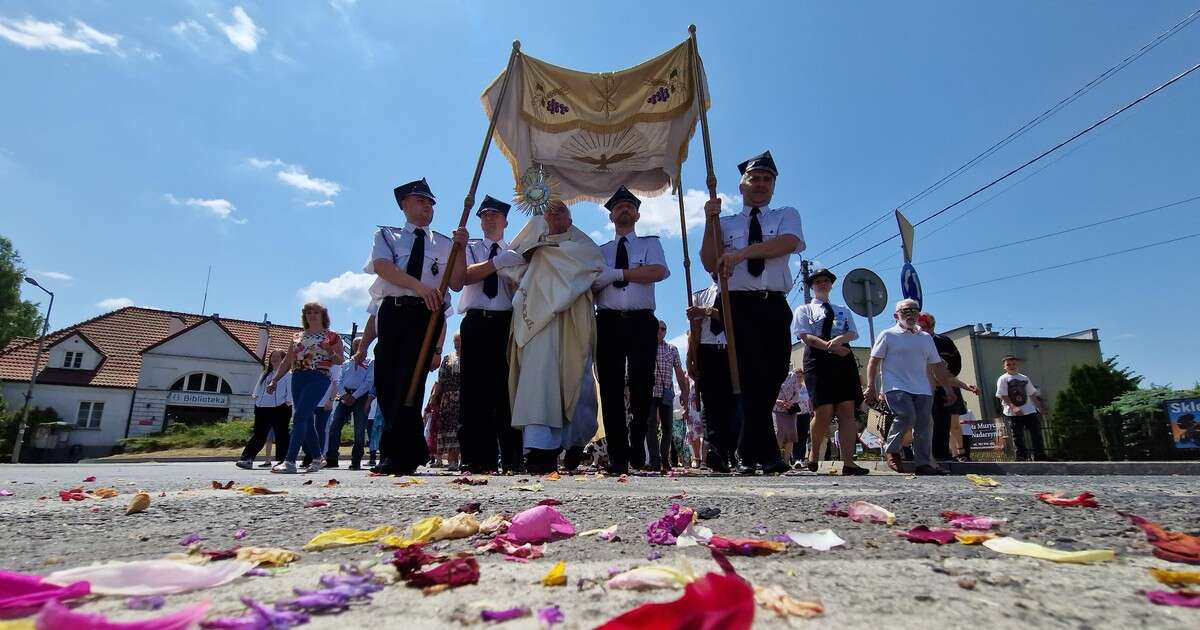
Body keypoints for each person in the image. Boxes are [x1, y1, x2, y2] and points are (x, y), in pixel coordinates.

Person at [701, 150, 804, 476]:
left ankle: (752, 449)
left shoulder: (785, 215)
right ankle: (759, 453)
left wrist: (743, 253)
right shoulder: (727, 222)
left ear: (773, 186)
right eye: (754, 179)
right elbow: (709, 261)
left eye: (766, 179)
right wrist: (709, 221)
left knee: (773, 374)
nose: (760, 184)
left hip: (773, 303)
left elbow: (788, 243)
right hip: (738, 305)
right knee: (746, 377)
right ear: (741, 185)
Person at [360, 177, 467, 475]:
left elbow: (456, 283)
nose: (427, 207)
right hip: (394, 313)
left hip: (425, 315)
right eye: (421, 201)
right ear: (404, 204)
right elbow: (383, 267)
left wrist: (460, 251)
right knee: (386, 381)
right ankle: (410, 449)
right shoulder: (388, 236)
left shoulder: (444, 243)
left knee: (411, 383)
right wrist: (419, 287)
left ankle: (399, 454)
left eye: (431, 203)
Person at [499, 200, 604, 473]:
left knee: (574, 380)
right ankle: (539, 449)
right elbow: (511, 264)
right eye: (550, 210)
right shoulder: (532, 241)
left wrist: (544, 258)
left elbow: (592, 265)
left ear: (570, 218)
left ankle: (573, 445)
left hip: (570, 318)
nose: (554, 214)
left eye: (561, 210)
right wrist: (533, 261)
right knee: (537, 378)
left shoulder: (582, 246)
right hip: (536, 318)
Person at [592, 186, 669, 473]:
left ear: (637, 214)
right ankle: (617, 456)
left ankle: (637, 445)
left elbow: (657, 272)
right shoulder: (600, 251)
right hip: (608, 321)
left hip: (641, 321)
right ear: (611, 216)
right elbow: (591, 282)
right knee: (610, 388)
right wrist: (605, 278)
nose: (624, 210)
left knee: (641, 386)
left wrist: (619, 274)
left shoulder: (650, 244)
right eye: (618, 207)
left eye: (629, 206)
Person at [864, 299, 977, 475]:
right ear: (896, 316)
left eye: (914, 311)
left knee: (924, 423)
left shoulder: (925, 338)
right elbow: (873, 361)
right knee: (906, 415)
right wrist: (871, 385)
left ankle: (923, 463)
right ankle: (892, 450)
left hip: (923, 388)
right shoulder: (888, 335)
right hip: (896, 385)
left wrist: (948, 389)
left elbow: (937, 366)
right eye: (905, 311)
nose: (910, 314)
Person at [458, 195, 525, 474]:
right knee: (474, 391)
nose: (489, 219)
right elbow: (463, 276)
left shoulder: (516, 250)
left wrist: (513, 275)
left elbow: (523, 286)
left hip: (505, 321)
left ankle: (511, 456)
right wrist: (498, 263)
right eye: (484, 215)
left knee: (506, 391)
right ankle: (476, 457)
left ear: (506, 221)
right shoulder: (470, 246)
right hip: (476, 320)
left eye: (495, 215)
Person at [793, 268, 868, 475]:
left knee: (846, 410)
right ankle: (813, 454)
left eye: (826, 281)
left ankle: (849, 463)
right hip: (818, 361)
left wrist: (840, 341)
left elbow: (852, 332)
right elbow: (805, 337)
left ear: (831, 284)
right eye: (818, 281)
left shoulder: (842, 309)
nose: (822, 284)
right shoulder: (805, 310)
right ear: (812, 285)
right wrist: (829, 346)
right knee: (824, 410)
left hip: (843, 359)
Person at [266, 302, 344, 474]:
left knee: (300, 416)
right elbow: (287, 361)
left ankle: (290, 460)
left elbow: (340, 361)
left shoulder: (332, 336)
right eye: (308, 312)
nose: (312, 315)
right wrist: (275, 380)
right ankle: (317, 457)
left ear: (323, 315)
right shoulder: (297, 336)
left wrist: (329, 351)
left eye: (316, 312)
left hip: (319, 376)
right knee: (306, 419)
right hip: (298, 376)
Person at [686, 276, 736, 472]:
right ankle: (712, 451)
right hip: (708, 350)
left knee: (731, 403)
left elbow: (731, 316)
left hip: (730, 350)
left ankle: (731, 451)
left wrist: (707, 311)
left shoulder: (737, 293)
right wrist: (691, 355)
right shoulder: (701, 295)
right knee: (710, 402)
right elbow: (695, 329)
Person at [917, 312, 967, 461]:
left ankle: (941, 456)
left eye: (926, 326)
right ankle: (924, 457)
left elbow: (955, 364)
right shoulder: (913, 341)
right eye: (921, 325)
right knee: (925, 423)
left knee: (943, 423)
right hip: (922, 388)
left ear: (932, 326)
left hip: (943, 387)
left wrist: (948, 379)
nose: (924, 329)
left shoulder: (944, 341)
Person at [236, 349, 292, 470]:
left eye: (278, 357)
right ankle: (247, 459)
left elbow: (290, 391)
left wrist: (288, 402)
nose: (274, 359)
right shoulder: (265, 373)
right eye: (272, 356)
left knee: (281, 435)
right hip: (262, 408)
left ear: (283, 360)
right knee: (259, 434)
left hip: (280, 408)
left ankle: (281, 461)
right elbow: (257, 390)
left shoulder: (288, 374)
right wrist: (256, 400)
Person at [324, 338, 374, 470]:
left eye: (361, 345)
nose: (358, 347)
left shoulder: (371, 362)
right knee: (335, 426)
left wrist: (354, 396)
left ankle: (356, 460)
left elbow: (368, 382)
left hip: (361, 397)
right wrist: (344, 394)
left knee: (359, 429)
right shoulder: (346, 363)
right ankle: (332, 458)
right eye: (356, 345)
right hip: (345, 396)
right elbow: (339, 380)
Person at [648, 320, 689, 472]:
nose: (660, 331)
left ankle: (665, 459)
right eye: (657, 328)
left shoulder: (672, 349)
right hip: (650, 393)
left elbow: (679, 372)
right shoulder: (646, 347)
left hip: (666, 394)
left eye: (663, 329)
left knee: (667, 428)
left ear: (666, 331)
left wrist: (684, 392)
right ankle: (654, 461)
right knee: (651, 427)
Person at [996, 355, 1047, 461]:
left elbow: (1032, 394)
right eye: (1008, 364)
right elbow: (1003, 395)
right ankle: (1021, 456)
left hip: (1029, 410)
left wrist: (1040, 407)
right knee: (1017, 435)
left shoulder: (1024, 378)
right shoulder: (1003, 379)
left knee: (1036, 432)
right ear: (1004, 367)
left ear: (1017, 365)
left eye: (1013, 364)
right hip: (1013, 412)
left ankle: (1040, 455)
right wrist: (1013, 407)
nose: (1011, 366)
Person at [428, 332, 463, 470]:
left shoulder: (471, 357)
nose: (457, 343)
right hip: (448, 400)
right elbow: (440, 380)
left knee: (461, 429)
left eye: (459, 340)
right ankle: (452, 461)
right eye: (455, 341)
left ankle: (463, 460)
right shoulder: (448, 358)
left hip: (463, 398)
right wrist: (434, 397)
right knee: (449, 429)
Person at [773, 366, 811, 469]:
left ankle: (786, 462)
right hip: (777, 408)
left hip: (791, 409)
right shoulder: (772, 374)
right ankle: (776, 459)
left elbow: (796, 392)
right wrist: (777, 401)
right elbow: (770, 391)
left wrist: (791, 402)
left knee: (791, 436)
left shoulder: (792, 376)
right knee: (779, 433)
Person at [683, 382, 704, 468]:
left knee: (708, 431)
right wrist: (686, 409)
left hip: (707, 399)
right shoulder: (689, 375)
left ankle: (706, 458)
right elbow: (686, 392)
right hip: (693, 405)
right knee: (694, 432)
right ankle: (697, 458)